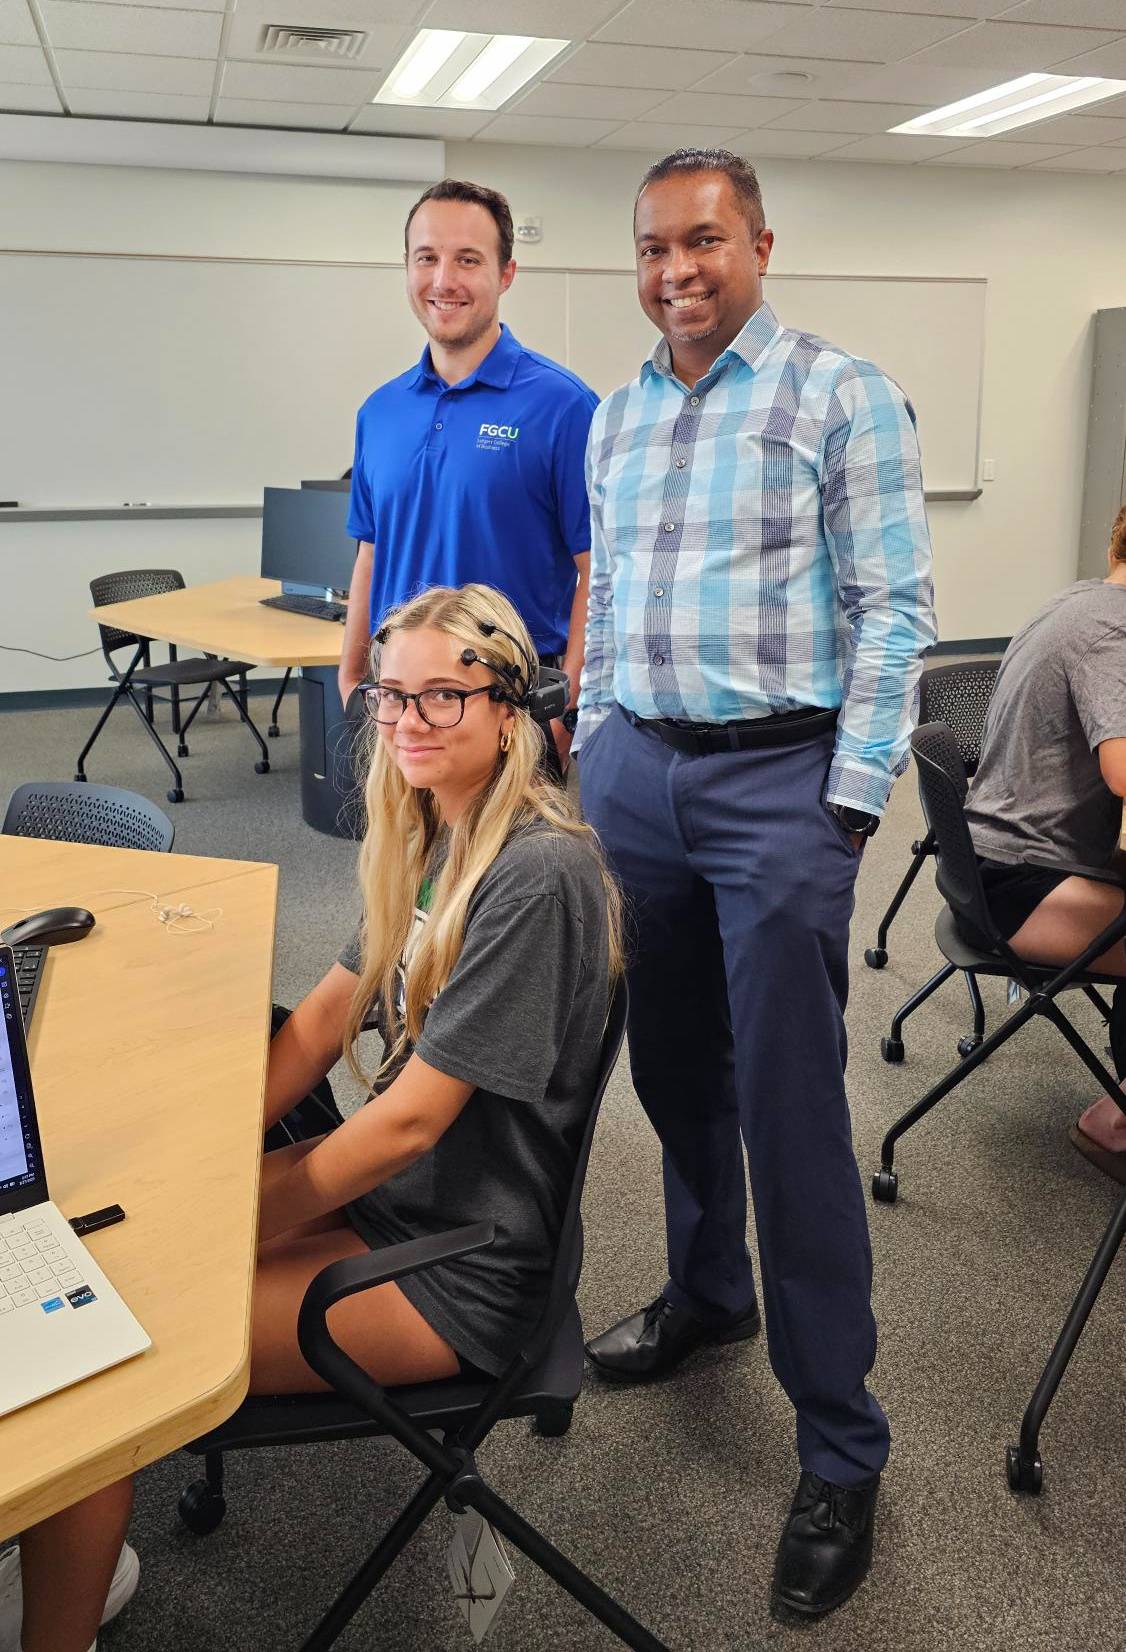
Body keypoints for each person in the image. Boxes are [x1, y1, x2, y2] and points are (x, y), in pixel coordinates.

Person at [0, 584, 621, 1652]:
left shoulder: (535, 872)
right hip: (407, 1205)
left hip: (462, 1263)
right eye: (391, 696)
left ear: (509, 709)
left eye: (443, 697)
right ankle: (69, 1550)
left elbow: (404, 1126)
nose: (407, 723)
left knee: (106, 1359)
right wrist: (201, 1149)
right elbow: (327, 1016)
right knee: (105, 1286)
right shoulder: (438, 831)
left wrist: (223, 1208)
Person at [576, 148, 936, 1620]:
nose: (676, 270)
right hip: (638, 781)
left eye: (704, 241)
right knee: (669, 1073)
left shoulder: (839, 393)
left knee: (789, 1110)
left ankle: (840, 1442)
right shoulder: (616, 413)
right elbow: (605, 590)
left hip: (778, 788)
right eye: (654, 247)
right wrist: (598, 733)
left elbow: (897, 608)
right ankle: (709, 1294)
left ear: (760, 245)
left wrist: (846, 806)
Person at [338, 178, 597, 772]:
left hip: (508, 714)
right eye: (426, 257)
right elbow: (370, 554)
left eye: (468, 259)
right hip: (398, 713)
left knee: (511, 867)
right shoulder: (380, 412)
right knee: (403, 865)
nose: (443, 279)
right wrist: (351, 676)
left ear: (506, 273)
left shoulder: (563, 406)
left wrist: (565, 706)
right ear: (406, 267)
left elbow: (596, 573)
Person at [962, 507, 1126, 1182]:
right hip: (1023, 884)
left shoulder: (1082, 599)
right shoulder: (1113, 633)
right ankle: (1114, 1122)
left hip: (989, 863)